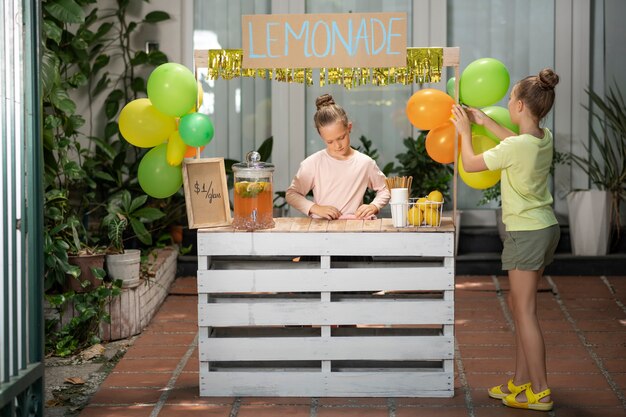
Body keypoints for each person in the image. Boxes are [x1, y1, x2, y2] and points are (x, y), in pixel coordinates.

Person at [451, 68, 560, 412]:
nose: (508, 101)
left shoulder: (515, 147)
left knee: (525, 312)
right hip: (545, 229)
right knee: (520, 307)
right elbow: (513, 143)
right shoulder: (544, 137)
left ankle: (540, 391)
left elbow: (470, 162)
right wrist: (485, 122)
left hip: (525, 233)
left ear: (520, 108)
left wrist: (465, 131)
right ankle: (520, 381)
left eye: (511, 97)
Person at [286, 94, 390, 219]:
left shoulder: (365, 163)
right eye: (330, 141)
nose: (337, 145)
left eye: (341, 137)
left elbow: (386, 188)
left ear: (349, 128)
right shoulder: (313, 163)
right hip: (322, 230)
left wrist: (374, 206)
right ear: (322, 137)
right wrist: (316, 208)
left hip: (354, 228)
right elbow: (292, 194)